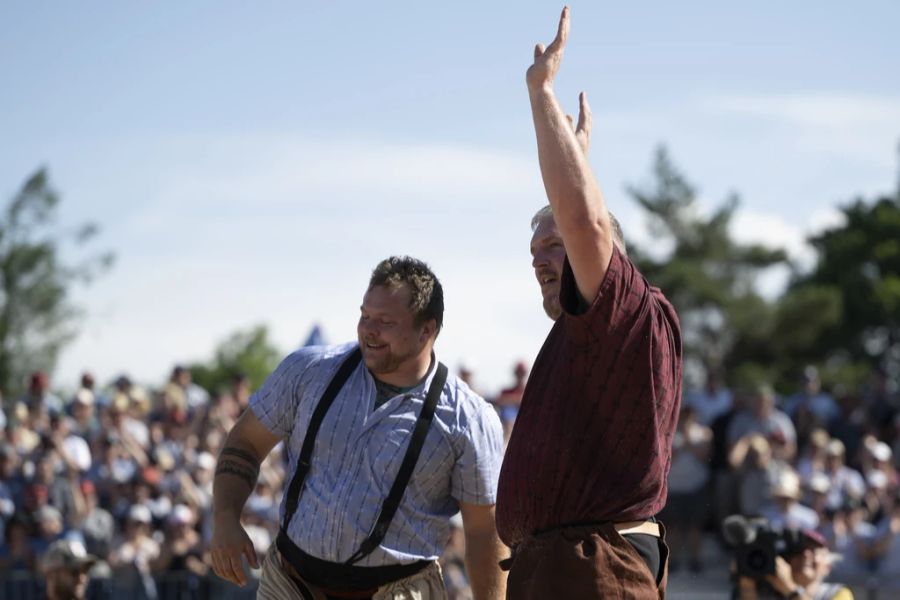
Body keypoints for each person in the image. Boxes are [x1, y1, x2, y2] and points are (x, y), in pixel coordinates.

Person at [496, 7, 682, 598]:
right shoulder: (593, 328)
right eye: (534, 250)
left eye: (553, 246)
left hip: (597, 570)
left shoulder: (626, 311)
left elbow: (585, 221)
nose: (538, 259)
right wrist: (573, 164)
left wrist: (540, 93)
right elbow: (581, 220)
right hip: (567, 567)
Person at [210, 256, 506, 599]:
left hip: (398, 591)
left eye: (385, 321)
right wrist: (226, 517)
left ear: (427, 329)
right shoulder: (308, 371)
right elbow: (244, 443)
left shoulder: (468, 418)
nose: (368, 329)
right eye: (365, 315)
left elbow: (484, 531)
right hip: (290, 583)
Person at [735, 529, 854, 600]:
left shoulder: (838, 593)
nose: (806, 555)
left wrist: (791, 590)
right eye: (798, 551)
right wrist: (747, 583)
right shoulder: (770, 594)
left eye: (814, 551)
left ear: (828, 567)